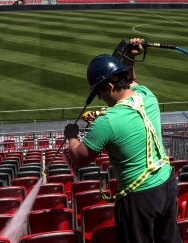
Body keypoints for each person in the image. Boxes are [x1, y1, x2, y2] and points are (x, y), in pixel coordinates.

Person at [64, 38, 181, 243]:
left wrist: (71, 136)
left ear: (109, 86)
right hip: (166, 185)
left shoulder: (107, 122)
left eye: (99, 92)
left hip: (138, 198)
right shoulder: (147, 96)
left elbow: (79, 158)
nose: (99, 98)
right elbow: (132, 81)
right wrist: (130, 57)